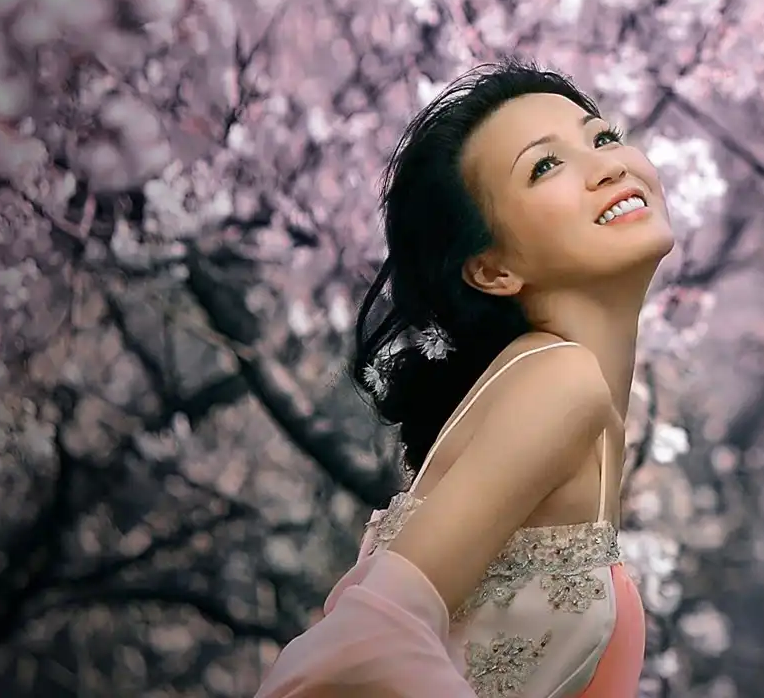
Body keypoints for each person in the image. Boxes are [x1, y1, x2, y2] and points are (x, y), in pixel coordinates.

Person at [255, 60, 674, 698]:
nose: (610, 164)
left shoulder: (563, 397)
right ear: (492, 268)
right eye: (545, 166)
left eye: (604, 137)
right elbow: (363, 642)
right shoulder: (562, 381)